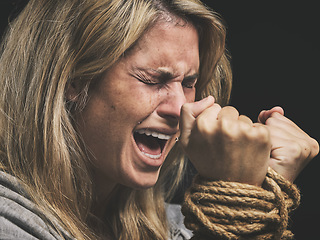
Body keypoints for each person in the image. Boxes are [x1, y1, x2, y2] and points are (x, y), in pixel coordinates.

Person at [0, 0, 318, 239]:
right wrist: (236, 210)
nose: (180, 108)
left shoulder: (179, 226)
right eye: (154, 80)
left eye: (189, 83)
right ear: (73, 80)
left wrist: (256, 196)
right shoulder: (9, 223)